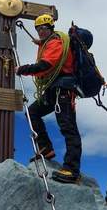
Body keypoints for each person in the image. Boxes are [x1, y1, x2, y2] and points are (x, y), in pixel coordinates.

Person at [15, 14, 82, 183]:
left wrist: (23, 69)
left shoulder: (55, 43)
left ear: (51, 28)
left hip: (63, 90)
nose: (40, 32)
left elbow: (46, 65)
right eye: (38, 29)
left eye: (43, 28)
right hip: (54, 89)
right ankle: (45, 149)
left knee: (68, 127)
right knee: (32, 113)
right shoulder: (48, 43)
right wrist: (41, 43)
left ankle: (71, 169)